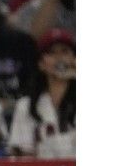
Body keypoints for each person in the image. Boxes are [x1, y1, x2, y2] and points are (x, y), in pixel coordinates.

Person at [8, 28, 74, 158]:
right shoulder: (26, 105)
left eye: (65, 52)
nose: (59, 58)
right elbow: (23, 156)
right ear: (41, 64)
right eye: (52, 53)